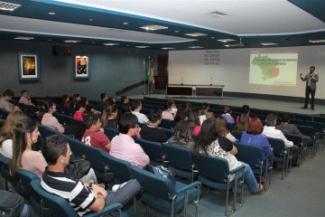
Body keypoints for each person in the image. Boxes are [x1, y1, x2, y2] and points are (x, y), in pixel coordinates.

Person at [41, 134, 140, 216]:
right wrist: (100, 194)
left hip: (85, 198)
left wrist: (91, 186)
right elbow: (99, 206)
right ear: (61, 159)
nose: (71, 153)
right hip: (100, 206)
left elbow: (73, 187)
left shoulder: (45, 175)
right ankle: (117, 190)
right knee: (135, 183)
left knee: (113, 189)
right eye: (68, 151)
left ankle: (117, 189)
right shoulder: (72, 187)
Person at [194, 119, 263, 194]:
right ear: (214, 130)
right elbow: (235, 151)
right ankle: (255, 189)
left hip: (209, 172)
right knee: (247, 167)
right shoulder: (222, 140)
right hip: (226, 175)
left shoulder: (198, 143)